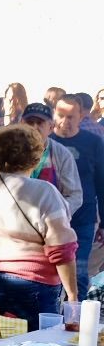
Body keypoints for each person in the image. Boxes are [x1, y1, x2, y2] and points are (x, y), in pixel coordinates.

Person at [0, 124, 79, 322]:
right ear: (35, 157)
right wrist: (72, 295)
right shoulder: (45, 191)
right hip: (32, 283)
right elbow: (62, 249)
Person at [52, 95, 104, 278]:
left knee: (79, 275)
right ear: (54, 115)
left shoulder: (93, 143)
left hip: (83, 218)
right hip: (51, 220)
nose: (65, 121)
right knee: (53, 275)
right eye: (61, 115)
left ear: (81, 117)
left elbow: (101, 183)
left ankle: (75, 307)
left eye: (70, 117)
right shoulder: (45, 143)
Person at [21, 102, 84, 216]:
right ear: (21, 124)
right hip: (14, 222)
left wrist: (56, 214)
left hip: (49, 222)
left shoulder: (62, 154)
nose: (34, 127)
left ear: (50, 127)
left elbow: (74, 195)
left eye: (40, 123)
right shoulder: (6, 151)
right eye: (30, 122)